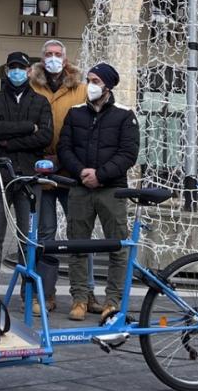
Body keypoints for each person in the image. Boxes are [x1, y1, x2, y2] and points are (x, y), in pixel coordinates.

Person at [57, 61, 139, 321]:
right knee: (77, 245)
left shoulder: (125, 115)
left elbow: (128, 154)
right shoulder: (75, 113)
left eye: (95, 81)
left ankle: (112, 301)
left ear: (108, 86)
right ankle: (80, 299)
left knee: (118, 246)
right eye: (89, 80)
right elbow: (65, 148)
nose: (90, 86)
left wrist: (100, 175)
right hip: (81, 189)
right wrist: (82, 172)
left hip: (111, 190)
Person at [0, 51, 54, 298]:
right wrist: (27, 128)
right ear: (6, 70)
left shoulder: (41, 102)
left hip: (28, 177)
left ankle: (28, 291)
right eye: (12, 67)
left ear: (28, 71)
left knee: (27, 238)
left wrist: (8, 143)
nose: (16, 72)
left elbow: (45, 136)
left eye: (21, 67)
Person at [29, 38, 89, 309]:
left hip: (71, 170)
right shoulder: (31, 87)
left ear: (65, 60)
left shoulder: (81, 89)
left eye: (57, 54)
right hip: (41, 170)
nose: (53, 58)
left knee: (79, 233)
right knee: (46, 235)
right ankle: (46, 293)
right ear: (42, 60)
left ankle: (84, 295)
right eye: (48, 54)